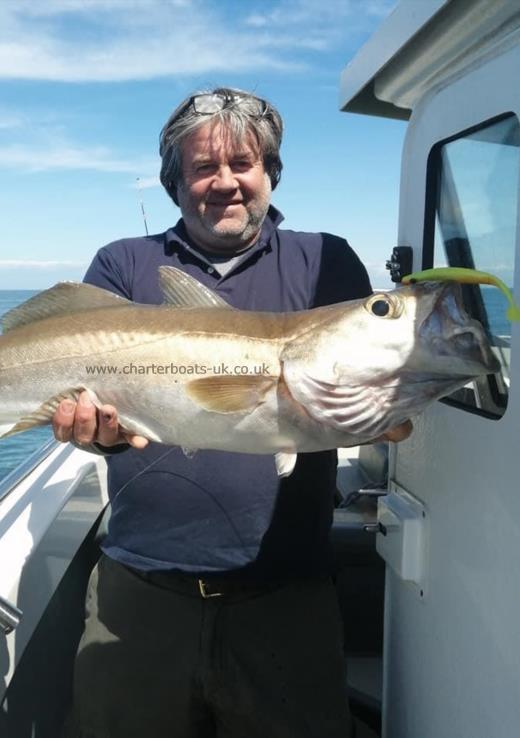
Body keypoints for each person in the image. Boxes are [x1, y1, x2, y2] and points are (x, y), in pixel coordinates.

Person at [54, 87, 410, 738]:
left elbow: (353, 389)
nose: (226, 183)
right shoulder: (124, 264)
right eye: (202, 168)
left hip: (288, 596)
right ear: (175, 182)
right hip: (141, 592)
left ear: (269, 171)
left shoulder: (324, 261)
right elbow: (99, 414)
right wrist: (97, 437)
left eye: (243, 163)